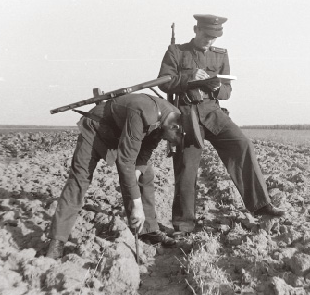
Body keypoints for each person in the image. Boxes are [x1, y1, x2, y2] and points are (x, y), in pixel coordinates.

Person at [158, 14, 286, 237]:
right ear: (196, 29)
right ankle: (184, 225)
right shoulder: (176, 52)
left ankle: (260, 205)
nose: (210, 41)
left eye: (214, 37)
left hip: (213, 112)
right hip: (187, 115)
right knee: (186, 168)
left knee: (242, 144)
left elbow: (227, 91)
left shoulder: (221, 55)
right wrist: (188, 76)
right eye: (206, 35)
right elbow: (164, 83)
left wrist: (216, 87)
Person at [46, 93, 183, 259]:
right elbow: (126, 161)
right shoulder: (143, 110)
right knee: (79, 180)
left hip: (124, 134)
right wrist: (137, 205)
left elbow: (144, 153)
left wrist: (136, 176)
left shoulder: (170, 119)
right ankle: (57, 240)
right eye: (175, 140)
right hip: (97, 129)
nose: (172, 144)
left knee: (145, 175)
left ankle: (148, 230)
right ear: (174, 128)